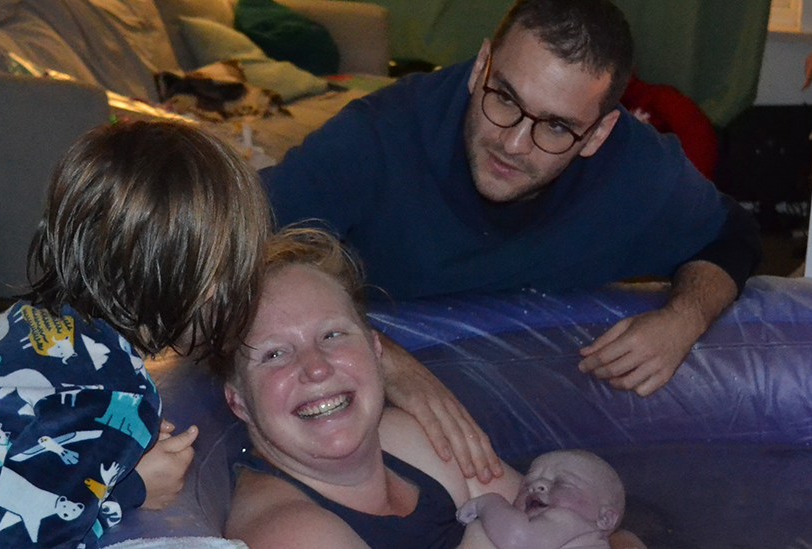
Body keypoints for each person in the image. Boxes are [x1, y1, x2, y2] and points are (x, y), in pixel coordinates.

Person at [261, 0, 762, 399]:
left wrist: (683, 321)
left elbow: (732, 235)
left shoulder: (638, 167)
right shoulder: (376, 137)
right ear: (482, 66)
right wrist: (387, 362)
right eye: (504, 98)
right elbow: (235, 246)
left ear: (599, 133)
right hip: (358, 393)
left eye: (557, 127)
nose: (513, 143)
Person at [0, 120, 271, 547]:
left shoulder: (27, 323)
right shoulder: (110, 397)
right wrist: (132, 491)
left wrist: (106, 461)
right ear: (208, 286)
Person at [216, 227, 643, 549]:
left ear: (377, 352)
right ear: (238, 402)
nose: (315, 369)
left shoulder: (413, 440)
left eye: (332, 336)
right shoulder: (293, 532)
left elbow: (588, 529)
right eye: (274, 354)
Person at [457, 450, 624, 549]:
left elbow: (517, 539)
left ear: (605, 519)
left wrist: (488, 503)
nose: (537, 485)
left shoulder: (569, 520)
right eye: (527, 483)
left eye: (561, 483)